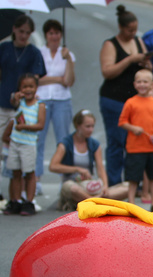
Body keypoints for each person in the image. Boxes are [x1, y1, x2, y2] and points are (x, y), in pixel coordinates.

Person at [99, 5, 152, 187]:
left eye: (135, 30)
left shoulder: (138, 41)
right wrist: (129, 59)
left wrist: (145, 62)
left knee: (134, 143)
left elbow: (147, 64)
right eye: (129, 30)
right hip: (114, 99)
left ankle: (132, 183)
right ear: (121, 28)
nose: (133, 33)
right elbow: (107, 71)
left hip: (135, 101)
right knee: (116, 142)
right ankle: (114, 183)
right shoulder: (110, 44)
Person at [0, 14, 46, 201]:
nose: (24, 35)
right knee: (4, 147)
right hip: (4, 103)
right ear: (14, 30)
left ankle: (26, 197)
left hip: (23, 108)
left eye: (28, 33)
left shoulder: (34, 52)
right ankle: (10, 195)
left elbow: (36, 78)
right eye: (21, 31)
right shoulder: (4, 48)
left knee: (22, 148)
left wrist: (25, 95)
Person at [49, 110, 128, 210]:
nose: (91, 130)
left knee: (128, 188)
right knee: (71, 188)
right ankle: (95, 202)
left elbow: (100, 168)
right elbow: (53, 166)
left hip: (90, 186)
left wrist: (105, 186)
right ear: (78, 126)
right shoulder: (65, 144)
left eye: (92, 126)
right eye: (87, 126)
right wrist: (77, 169)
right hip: (74, 185)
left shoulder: (94, 144)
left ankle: (93, 201)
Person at [35, 19, 76, 195]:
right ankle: (35, 180)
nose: (54, 36)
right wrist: (56, 79)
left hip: (61, 99)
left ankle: (65, 181)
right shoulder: (38, 53)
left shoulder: (67, 54)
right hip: (42, 99)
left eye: (57, 33)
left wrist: (68, 61)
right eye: (51, 33)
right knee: (38, 140)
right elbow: (36, 80)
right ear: (46, 35)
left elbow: (68, 81)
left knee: (63, 140)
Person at [118, 69, 153, 211]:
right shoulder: (130, 102)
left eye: (145, 82)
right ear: (134, 84)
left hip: (151, 147)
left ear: (151, 84)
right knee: (133, 177)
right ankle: (131, 203)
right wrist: (133, 128)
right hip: (135, 147)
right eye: (139, 82)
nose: (142, 85)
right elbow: (122, 122)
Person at [2, 74, 45, 216]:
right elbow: (13, 102)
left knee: (29, 172)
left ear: (36, 88)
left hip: (28, 144)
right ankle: (15, 201)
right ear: (20, 89)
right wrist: (16, 97)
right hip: (15, 142)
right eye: (24, 87)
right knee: (15, 172)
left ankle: (29, 202)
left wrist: (25, 127)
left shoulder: (40, 105)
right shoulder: (19, 102)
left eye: (31, 86)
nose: (28, 90)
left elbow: (40, 125)